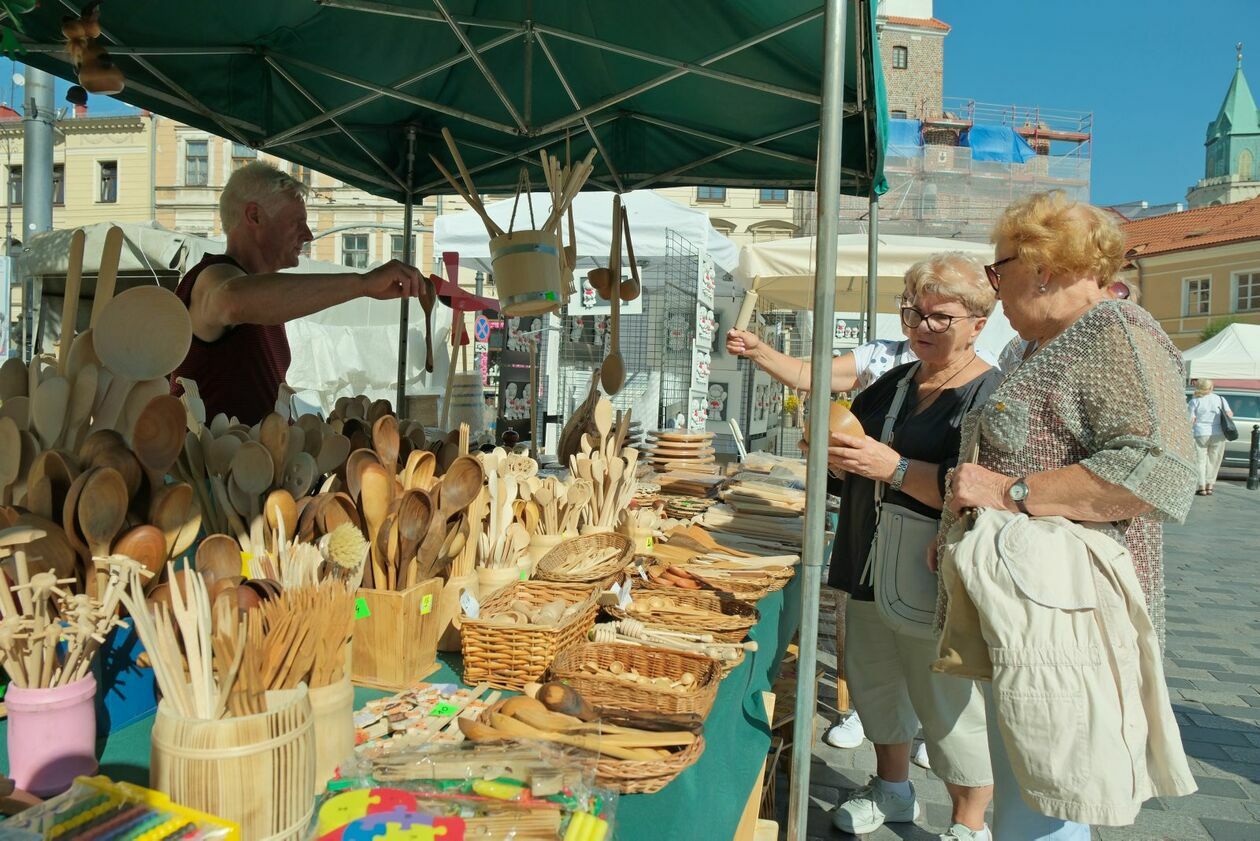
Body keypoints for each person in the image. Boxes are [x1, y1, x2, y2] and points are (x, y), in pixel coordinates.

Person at [945, 191, 1197, 839]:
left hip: (1076, 614)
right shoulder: (1032, 349)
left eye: (998, 273)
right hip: (1031, 607)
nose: (995, 292)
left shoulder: (1116, 332)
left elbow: (1156, 468)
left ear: (1042, 268)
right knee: (1031, 782)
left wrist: (1009, 494)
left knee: (1050, 795)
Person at [816, 253, 999, 841]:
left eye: (940, 316)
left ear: (979, 322)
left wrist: (891, 468)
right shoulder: (894, 385)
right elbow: (849, 464)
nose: (922, 326)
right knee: (875, 685)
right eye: (913, 313)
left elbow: (978, 491)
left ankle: (969, 823)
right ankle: (892, 791)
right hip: (867, 559)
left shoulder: (989, 395)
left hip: (933, 572)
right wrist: (834, 461)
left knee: (947, 703)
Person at [170, 161, 426, 425]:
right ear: (254, 216)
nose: (309, 234)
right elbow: (229, 299)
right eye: (296, 222)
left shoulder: (266, 297)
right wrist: (362, 283)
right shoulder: (211, 275)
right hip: (212, 466)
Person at [1187, 379, 1232, 495]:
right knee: (1214, 460)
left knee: (1200, 460)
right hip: (1218, 433)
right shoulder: (1220, 399)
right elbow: (1229, 414)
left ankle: (1201, 486)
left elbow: (1190, 419)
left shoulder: (1195, 401)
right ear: (1211, 388)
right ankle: (1210, 486)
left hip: (1200, 433)